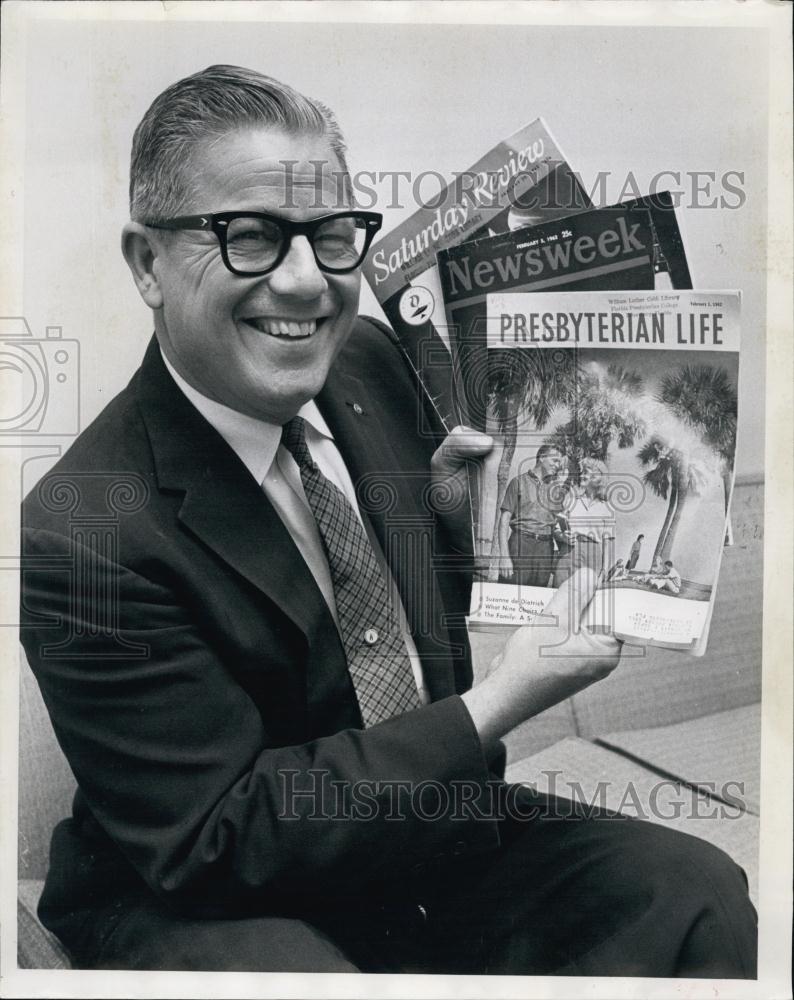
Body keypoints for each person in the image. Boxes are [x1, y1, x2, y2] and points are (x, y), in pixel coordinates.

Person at [20, 65, 756, 976]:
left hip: (423, 831)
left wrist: (500, 529)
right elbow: (218, 837)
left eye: (332, 237)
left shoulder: (366, 359)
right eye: (249, 237)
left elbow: (374, 621)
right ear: (147, 263)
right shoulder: (85, 525)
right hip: (208, 888)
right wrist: (498, 704)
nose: (305, 283)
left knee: (696, 894)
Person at [497, 445, 566, 587]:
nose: (558, 465)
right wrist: (504, 556)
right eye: (555, 461)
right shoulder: (518, 482)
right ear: (541, 458)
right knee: (511, 596)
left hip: (545, 549)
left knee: (537, 600)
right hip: (521, 544)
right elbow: (504, 521)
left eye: (559, 462)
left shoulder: (555, 490)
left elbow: (558, 526)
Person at [553, 458, 616, 587]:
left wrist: (603, 572)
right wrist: (563, 537)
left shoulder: (607, 509)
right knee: (559, 594)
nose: (581, 475)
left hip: (593, 556)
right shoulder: (571, 501)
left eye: (585, 472)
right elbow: (555, 529)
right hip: (569, 551)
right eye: (581, 472)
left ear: (597, 477)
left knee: (586, 601)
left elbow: (607, 544)